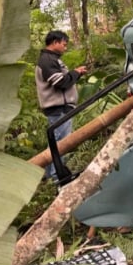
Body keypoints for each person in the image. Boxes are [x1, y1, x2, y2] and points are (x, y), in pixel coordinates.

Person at [35, 30, 87, 181]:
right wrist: (75, 73)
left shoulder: (52, 59)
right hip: (58, 109)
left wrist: (75, 73)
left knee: (57, 142)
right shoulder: (47, 60)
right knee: (59, 144)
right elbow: (60, 82)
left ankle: (49, 175)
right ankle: (55, 177)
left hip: (61, 108)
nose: (65, 47)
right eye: (64, 44)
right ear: (55, 42)